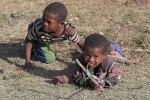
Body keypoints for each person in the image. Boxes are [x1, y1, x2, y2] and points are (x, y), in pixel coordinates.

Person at [24, 2, 84, 69]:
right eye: (43, 19)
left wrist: (88, 57)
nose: (45, 24)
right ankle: (34, 48)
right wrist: (27, 62)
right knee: (50, 58)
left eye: (49, 22)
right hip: (37, 39)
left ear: (60, 23)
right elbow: (28, 40)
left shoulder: (68, 31)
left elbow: (81, 43)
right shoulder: (39, 28)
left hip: (47, 39)